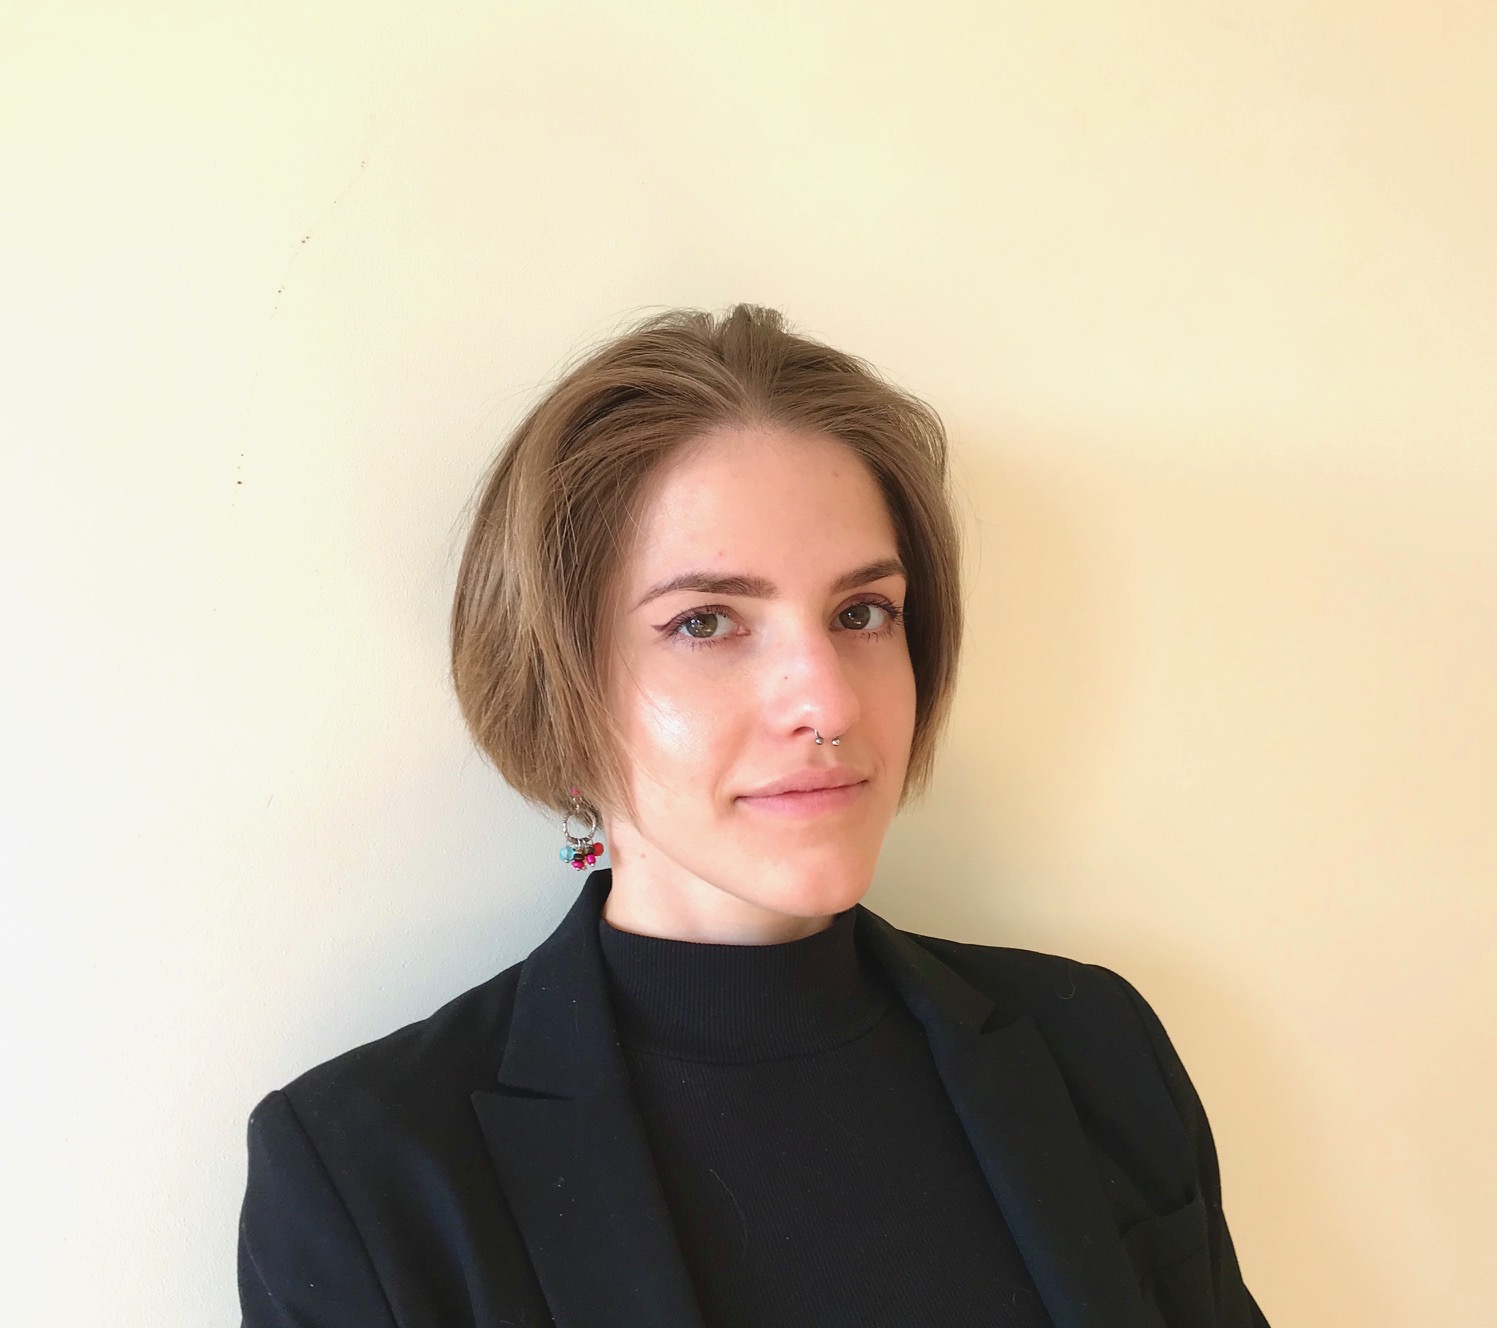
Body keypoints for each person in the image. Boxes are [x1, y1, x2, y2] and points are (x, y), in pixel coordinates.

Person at [237, 304, 1268, 1328]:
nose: (827, 702)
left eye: (862, 612)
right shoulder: (369, 1172)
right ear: (558, 684)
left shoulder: (1094, 1047)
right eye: (705, 621)